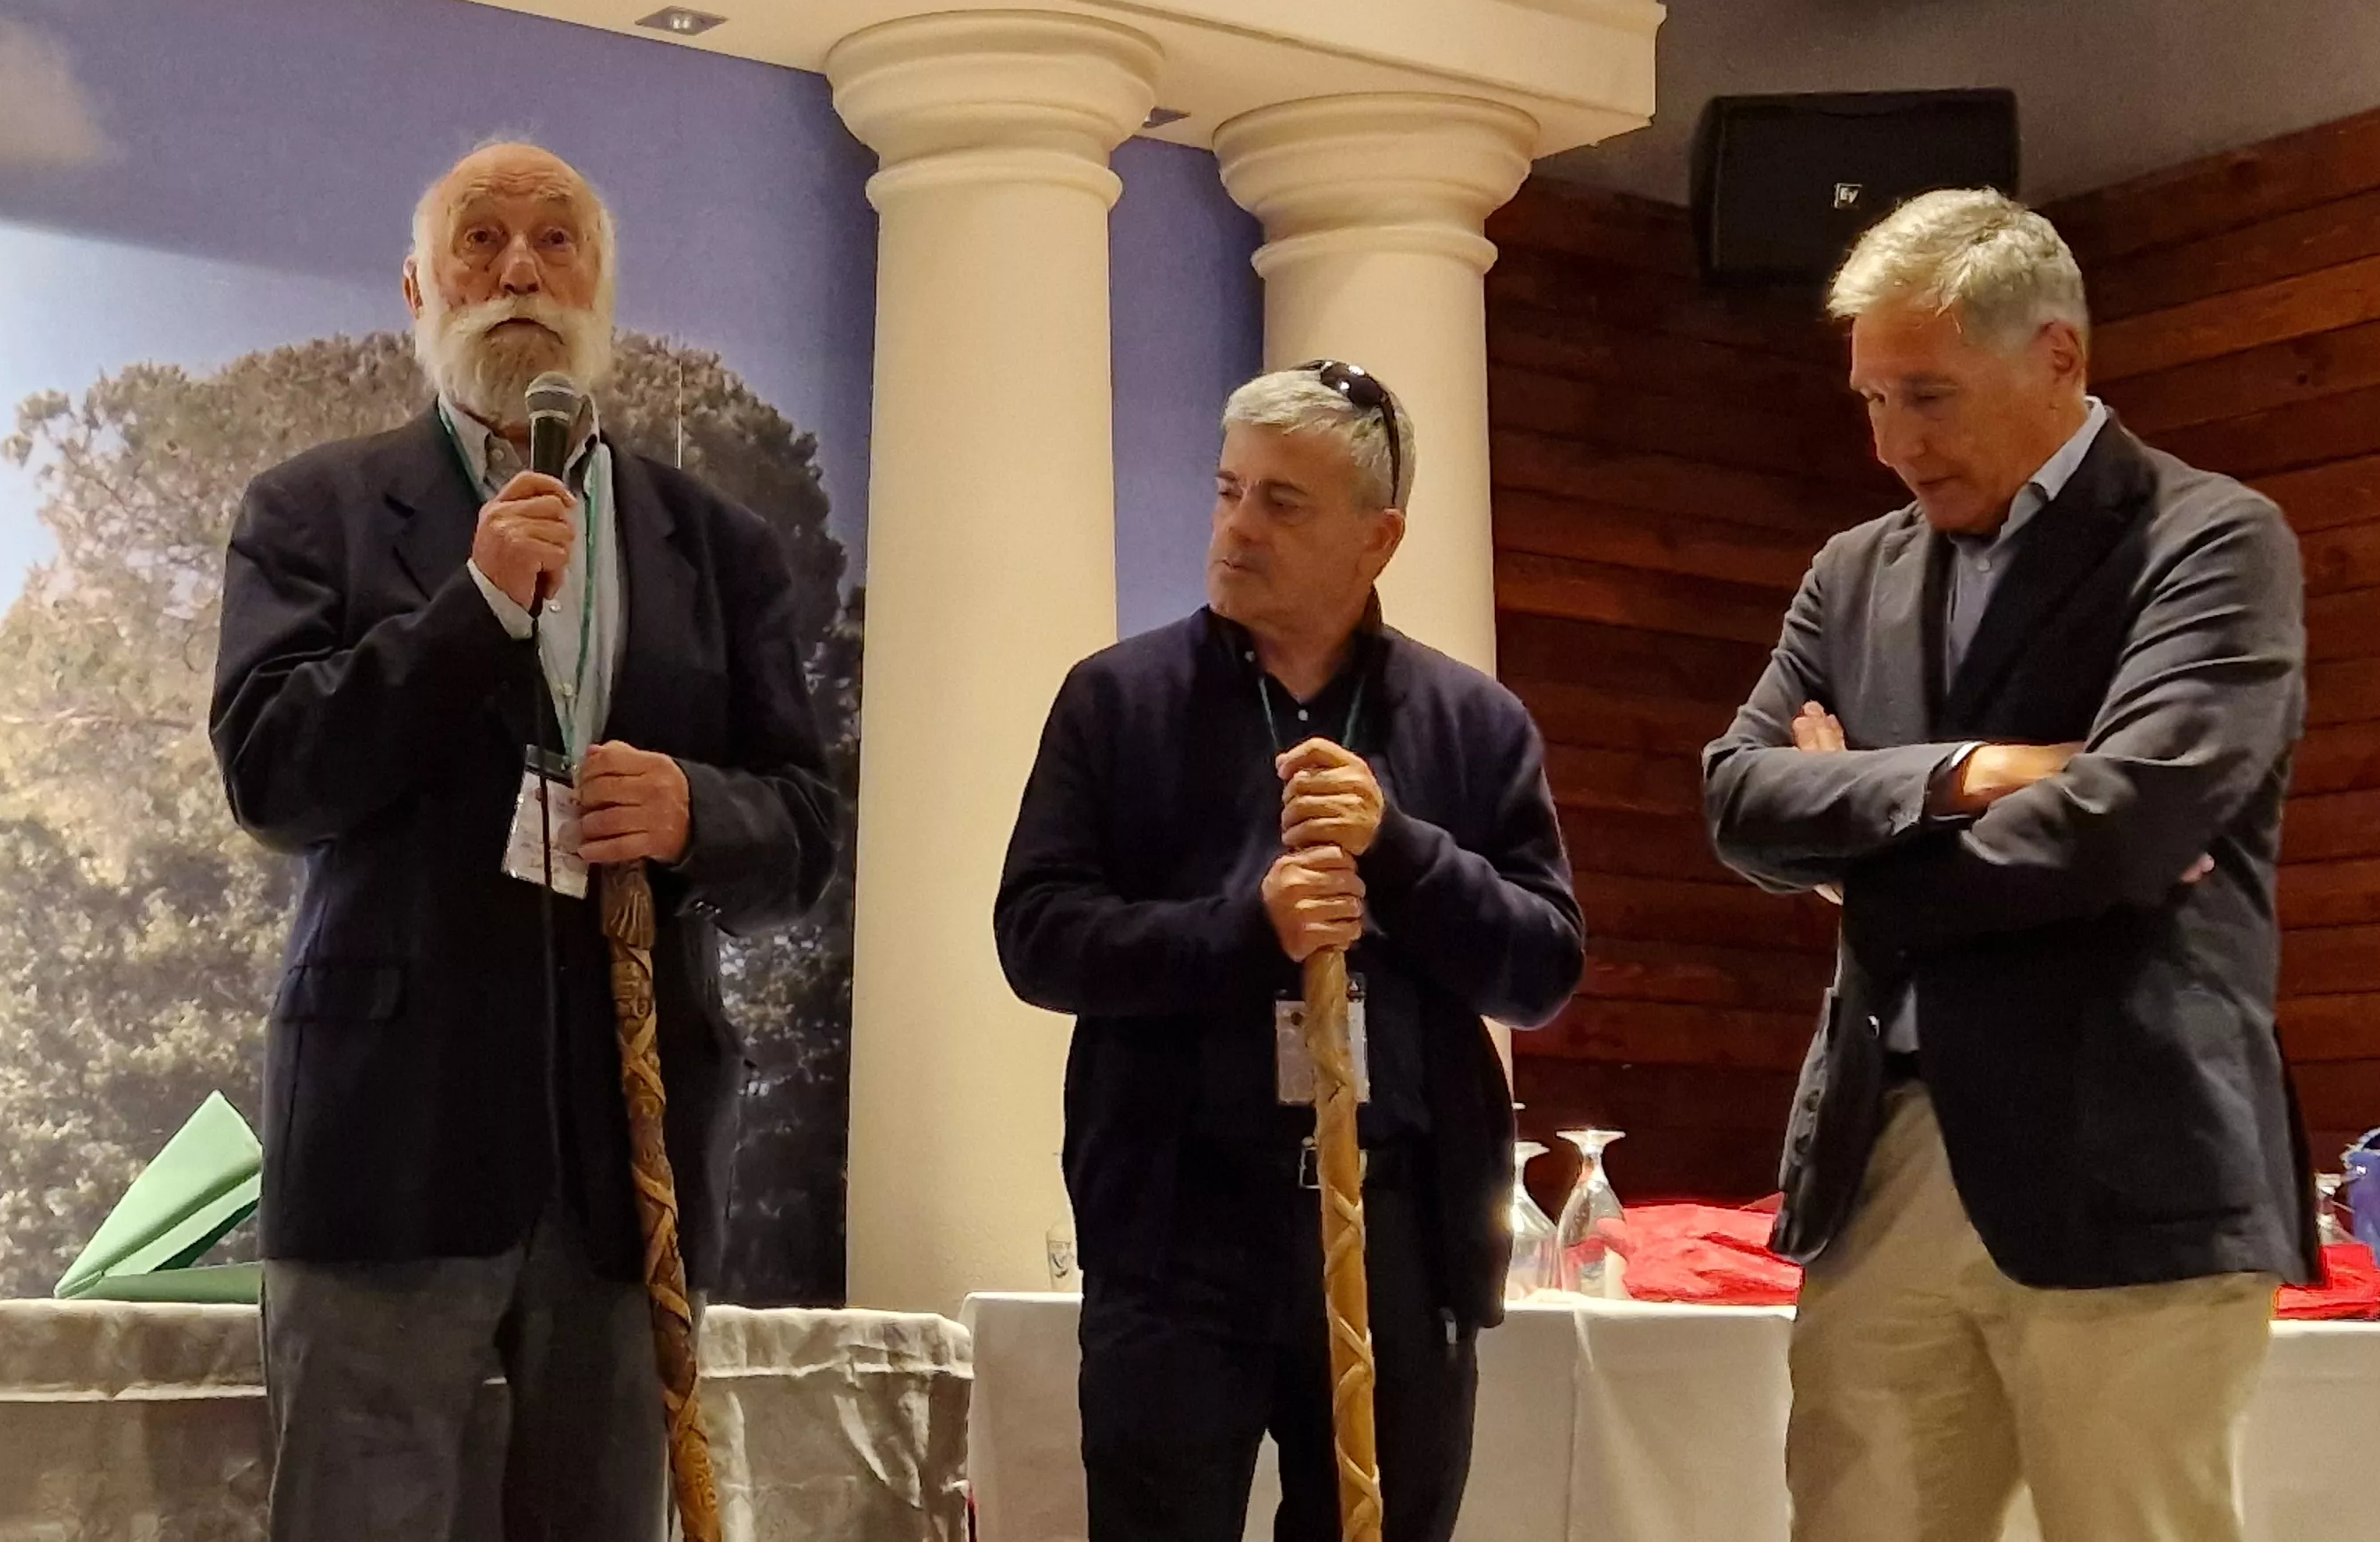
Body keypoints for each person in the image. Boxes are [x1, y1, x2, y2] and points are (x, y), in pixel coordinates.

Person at [209, 141, 841, 1542]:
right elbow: (272, 776)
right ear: (417, 289)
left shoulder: (717, 546)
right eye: (481, 241)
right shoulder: (312, 510)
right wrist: (475, 610)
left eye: (556, 243)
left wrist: (695, 813)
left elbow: (804, 830)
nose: (518, 272)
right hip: (389, 1149)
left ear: (600, 289)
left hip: (632, 1159)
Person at [1702, 188, 2315, 1542]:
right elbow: (1739, 797)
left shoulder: (2208, 541)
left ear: (2058, 356)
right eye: (1871, 401)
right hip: (1892, 1147)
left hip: (2127, 1150)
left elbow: (2124, 823)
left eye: (1928, 397)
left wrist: (1854, 856)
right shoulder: (1851, 572)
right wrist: (1971, 773)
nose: (1893, 445)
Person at [994, 362, 1583, 1542]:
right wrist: (1243, 929)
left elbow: (1542, 969)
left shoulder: (1471, 724)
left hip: (1401, 1235)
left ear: (1380, 537)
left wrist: (1403, 852)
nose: (1236, 528)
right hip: (1174, 1235)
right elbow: (1039, 940)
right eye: (1228, 491)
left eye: (1282, 503)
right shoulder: (1115, 702)